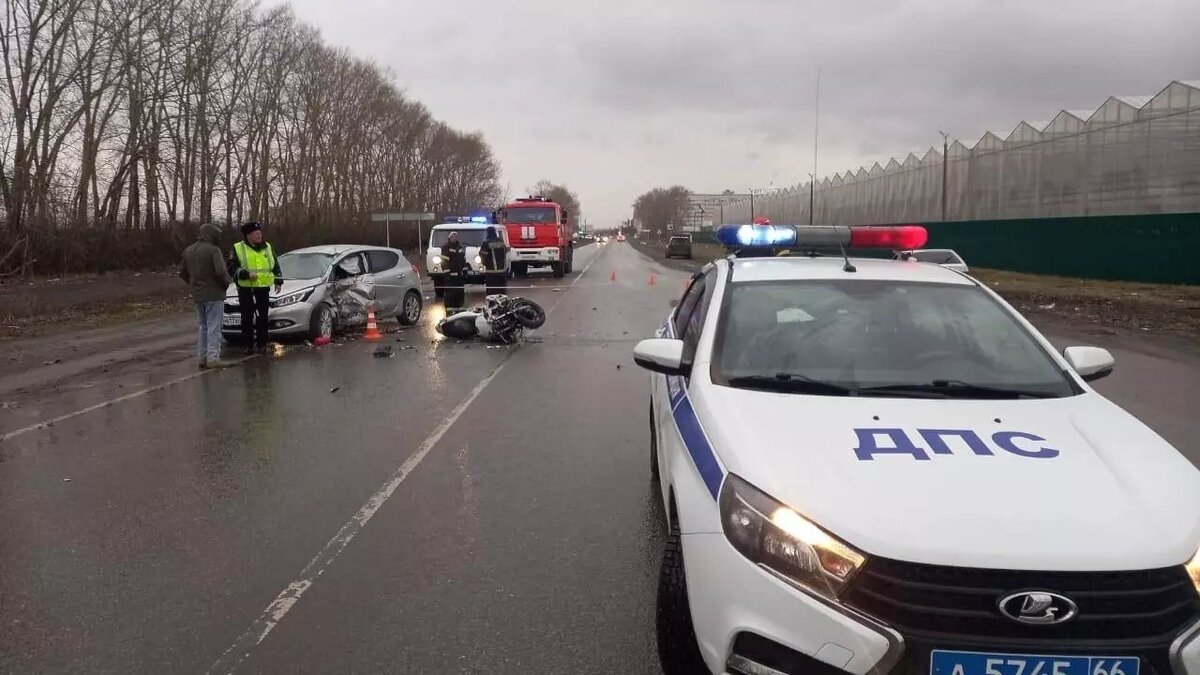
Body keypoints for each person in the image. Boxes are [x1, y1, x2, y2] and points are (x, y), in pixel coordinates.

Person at [179, 223, 235, 369]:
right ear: (212, 235)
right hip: (214, 293)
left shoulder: (188, 250)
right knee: (214, 326)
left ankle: (202, 358)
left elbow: (182, 273)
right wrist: (228, 283)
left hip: (198, 294)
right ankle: (213, 358)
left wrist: (193, 284)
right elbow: (220, 272)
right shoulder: (213, 250)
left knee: (203, 326)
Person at [230, 221, 283, 354]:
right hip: (246, 288)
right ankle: (248, 345)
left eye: (260, 233)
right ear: (248, 235)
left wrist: (278, 280)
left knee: (263, 317)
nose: (259, 236)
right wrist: (245, 274)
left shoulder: (267, 247)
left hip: (263, 288)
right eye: (256, 234)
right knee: (247, 317)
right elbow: (231, 268)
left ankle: (262, 344)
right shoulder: (238, 248)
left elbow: (274, 265)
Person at [440, 231, 467, 309]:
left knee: (460, 294)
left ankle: (459, 309)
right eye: (452, 237)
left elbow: (463, 260)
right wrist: (447, 273)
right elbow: (444, 262)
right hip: (450, 278)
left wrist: (465, 271)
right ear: (449, 238)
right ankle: (450, 311)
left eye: (455, 237)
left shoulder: (460, 247)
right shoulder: (446, 247)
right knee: (450, 295)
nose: (454, 238)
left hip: (459, 277)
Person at [479, 226, 509, 294]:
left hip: (491, 272)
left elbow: (482, 255)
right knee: (501, 292)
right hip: (502, 271)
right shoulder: (501, 241)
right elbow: (506, 251)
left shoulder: (486, 243)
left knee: (492, 292)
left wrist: (484, 263)